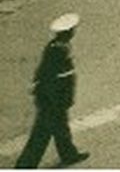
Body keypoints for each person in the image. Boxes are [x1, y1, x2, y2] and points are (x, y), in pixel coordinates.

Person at [15, 14, 88, 168]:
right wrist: (58, 102)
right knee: (41, 134)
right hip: (52, 100)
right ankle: (25, 166)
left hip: (55, 98)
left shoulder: (58, 46)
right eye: (72, 30)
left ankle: (69, 154)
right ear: (67, 33)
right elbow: (53, 79)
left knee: (61, 128)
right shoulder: (58, 51)